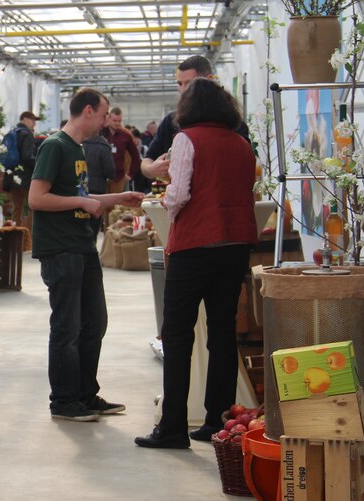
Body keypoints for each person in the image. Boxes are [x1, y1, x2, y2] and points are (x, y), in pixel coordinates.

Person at [135, 78, 258, 449]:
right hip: (235, 244)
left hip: (196, 244)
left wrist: (169, 205)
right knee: (222, 333)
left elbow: (179, 193)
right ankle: (217, 420)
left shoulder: (187, 139)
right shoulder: (240, 143)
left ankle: (172, 426)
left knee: (177, 333)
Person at [29, 88, 145, 421]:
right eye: (105, 114)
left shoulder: (77, 148)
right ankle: (64, 401)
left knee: (94, 322)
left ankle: (84, 394)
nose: (108, 121)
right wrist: (82, 203)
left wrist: (117, 199)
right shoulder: (55, 146)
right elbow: (37, 198)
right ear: (89, 111)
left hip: (82, 246)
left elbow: (78, 194)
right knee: (67, 327)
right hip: (61, 249)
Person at [140, 55, 251, 192]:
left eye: (189, 83)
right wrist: (152, 169)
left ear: (209, 80)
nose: (183, 89)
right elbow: (147, 160)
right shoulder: (171, 121)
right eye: (180, 84)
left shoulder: (233, 125)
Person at [3, 111, 39, 229]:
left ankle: (15, 237)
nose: (34, 124)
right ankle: (29, 237)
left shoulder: (12, 132)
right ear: (25, 119)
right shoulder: (26, 134)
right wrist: (38, 165)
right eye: (33, 121)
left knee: (16, 208)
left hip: (11, 176)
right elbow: (27, 156)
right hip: (25, 177)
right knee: (32, 208)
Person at [102, 107, 140, 194]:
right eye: (114, 121)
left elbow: (135, 156)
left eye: (119, 121)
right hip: (102, 176)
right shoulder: (101, 132)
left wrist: (130, 174)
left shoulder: (126, 135)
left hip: (118, 177)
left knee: (116, 204)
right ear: (109, 119)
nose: (117, 123)